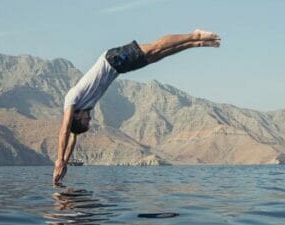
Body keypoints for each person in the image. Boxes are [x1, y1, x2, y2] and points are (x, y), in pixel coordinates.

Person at [52, 30, 221, 186]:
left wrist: (59, 161)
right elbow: (73, 137)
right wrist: (65, 162)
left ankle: (194, 35)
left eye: (86, 121)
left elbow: (65, 130)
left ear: (76, 116)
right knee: (157, 56)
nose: (89, 119)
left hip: (112, 59)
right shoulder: (85, 108)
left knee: (156, 47)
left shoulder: (72, 100)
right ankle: (194, 44)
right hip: (118, 67)